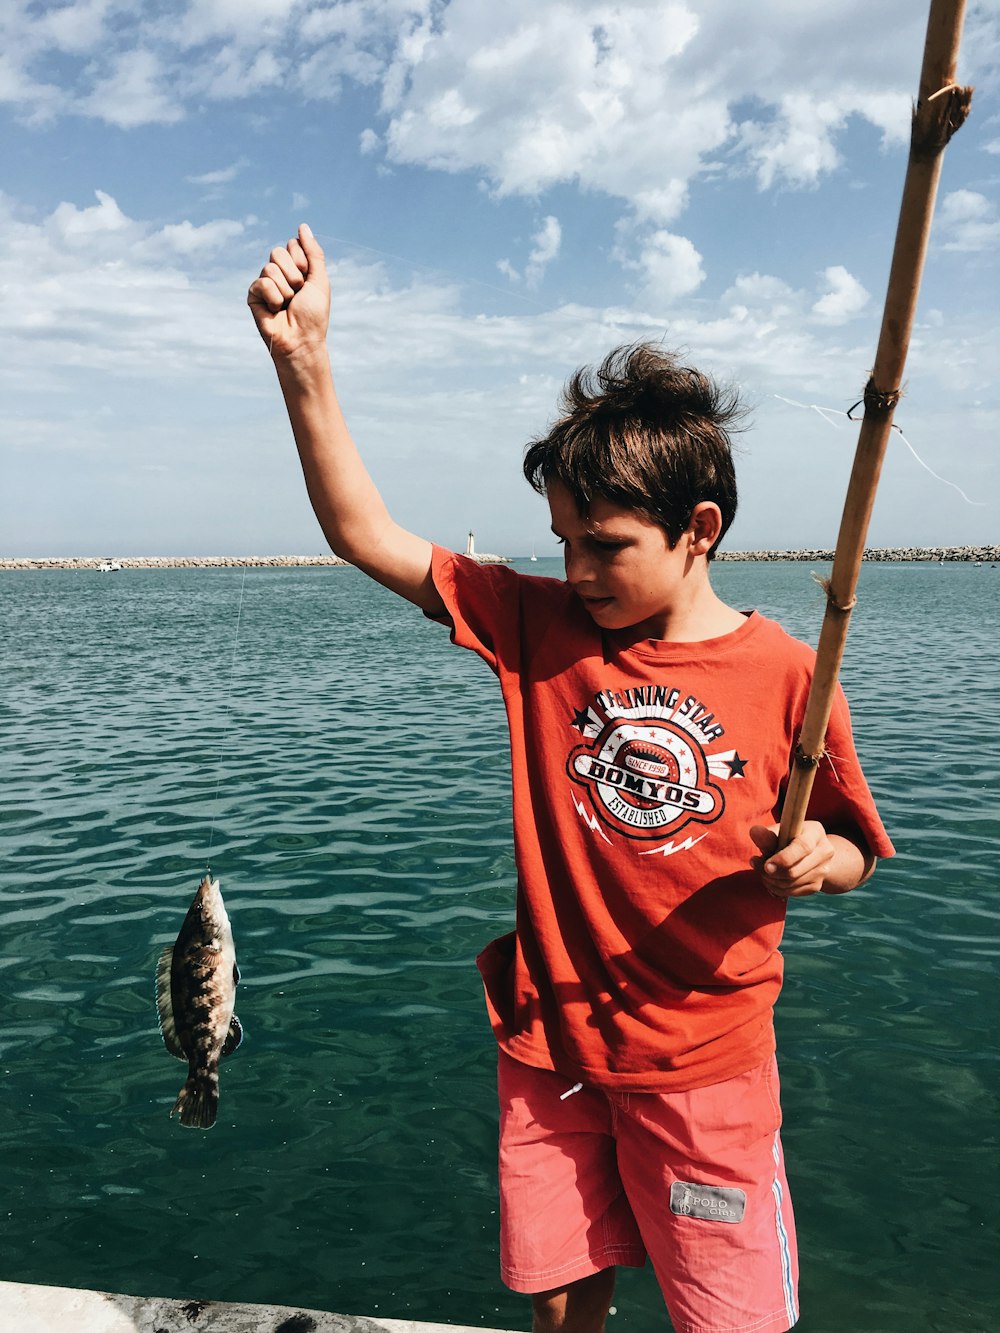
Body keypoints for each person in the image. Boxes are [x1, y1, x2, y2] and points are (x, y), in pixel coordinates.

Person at [248, 225, 894, 1333]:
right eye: (560, 543)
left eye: (602, 545)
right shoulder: (538, 628)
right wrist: (302, 359)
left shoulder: (792, 670)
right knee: (559, 1300)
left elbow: (851, 854)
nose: (574, 571)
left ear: (698, 530)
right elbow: (364, 533)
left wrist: (811, 861)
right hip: (548, 1048)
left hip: (705, 1069)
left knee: (725, 1313)